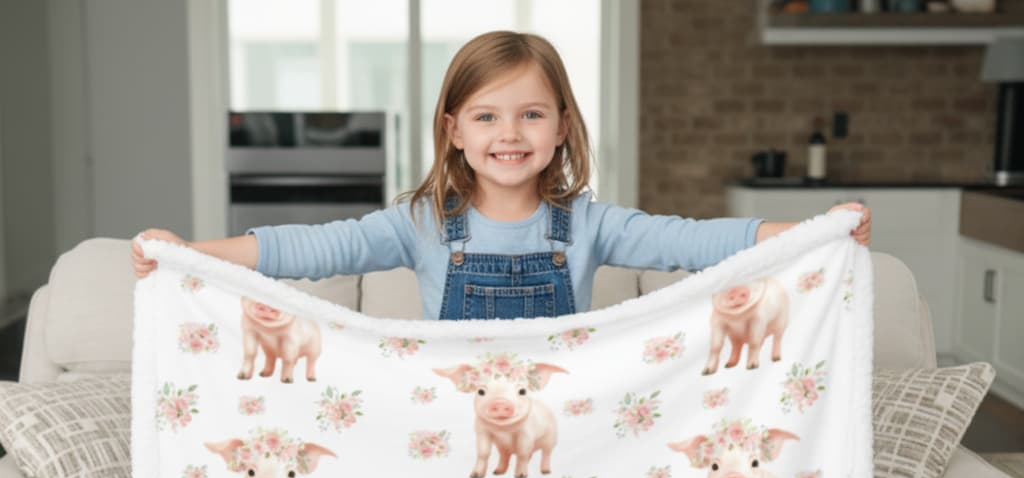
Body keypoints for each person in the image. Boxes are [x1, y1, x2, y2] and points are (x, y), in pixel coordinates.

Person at [132, 30, 871, 320]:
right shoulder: (420, 224)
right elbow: (310, 249)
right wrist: (190, 252)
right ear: (453, 132)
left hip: (563, 429)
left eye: (531, 116)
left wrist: (817, 230)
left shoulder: (590, 224)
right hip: (454, 429)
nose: (509, 135)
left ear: (561, 127)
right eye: (485, 117)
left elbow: (699, 241)